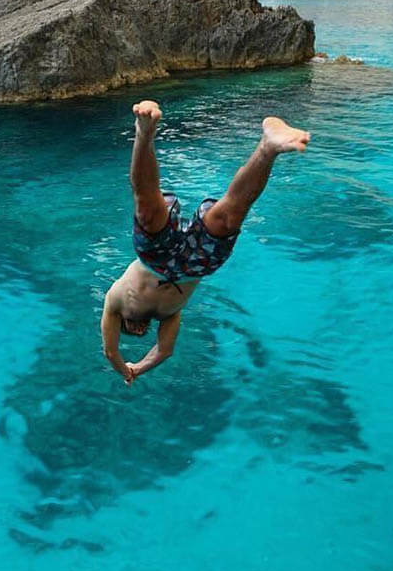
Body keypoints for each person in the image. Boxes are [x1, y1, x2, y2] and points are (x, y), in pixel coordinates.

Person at [101, 101, 309, 384]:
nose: (138, 332)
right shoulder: (169, 316)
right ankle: (268, 147)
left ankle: (144, 132)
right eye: (140, 333)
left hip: (155, 258)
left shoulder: (115, 302)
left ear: (124, 322)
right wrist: (138, 369)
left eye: (130, 329)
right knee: (229, 217)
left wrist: (124, 367)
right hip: (196, 265)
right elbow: (164, 351)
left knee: (147, 210)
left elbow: (110, 351)